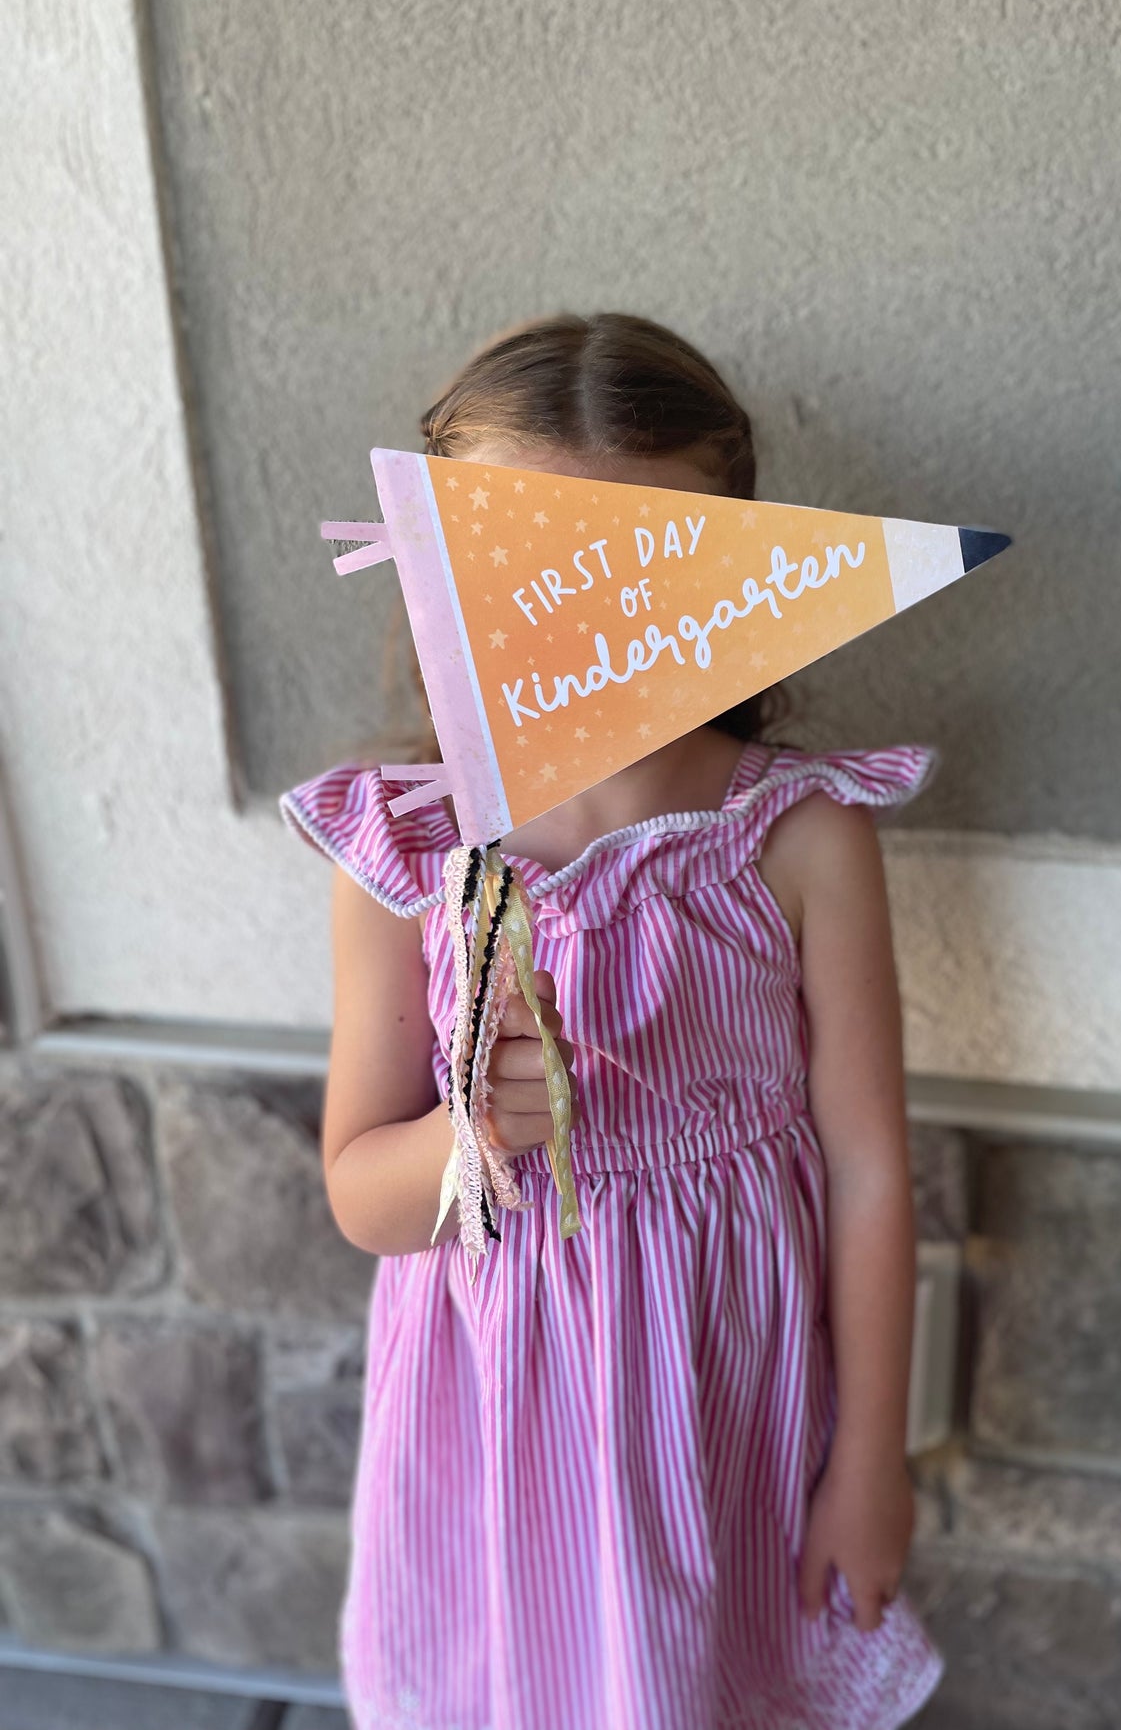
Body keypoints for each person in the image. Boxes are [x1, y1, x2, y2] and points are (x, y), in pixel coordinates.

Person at [280, 312, 945, 1729]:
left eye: (644, 573)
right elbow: (358, 1192)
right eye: (528, 569)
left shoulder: (798, 840)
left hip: (728, 1399)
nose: (586, 623)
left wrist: (870, 1460)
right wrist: (466, 1141)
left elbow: (872, 1165)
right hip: (501, 1418)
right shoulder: (407, 860)